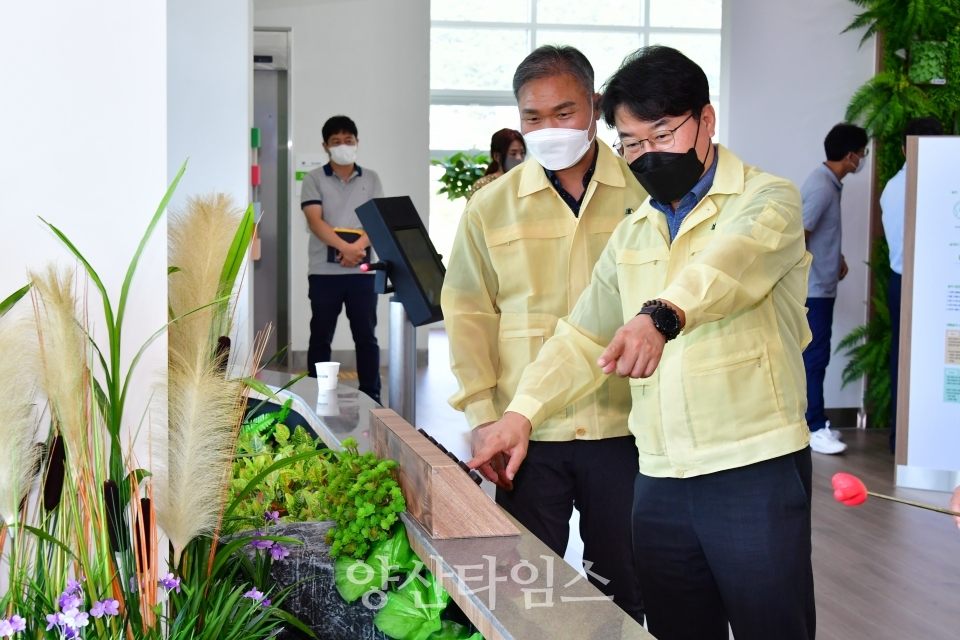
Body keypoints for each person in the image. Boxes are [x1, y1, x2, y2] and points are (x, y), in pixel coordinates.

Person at [469, 46, 815, 640]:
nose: (645, 154)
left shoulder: (766, 199)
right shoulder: (637, 229)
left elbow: (728, 269)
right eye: (630, 143)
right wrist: (521, 413)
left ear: (705, 122)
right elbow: (581, 336)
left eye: (661, 134)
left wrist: (660, 314)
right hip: (657, 479)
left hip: (750, 467)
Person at [442, 45, 647, 623]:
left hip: (623, 425)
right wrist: (483, 413)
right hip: (525, 431)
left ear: (595, 107)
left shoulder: (644, 194)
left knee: (622, 587)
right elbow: (467, 312)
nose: (549, 129)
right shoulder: (491, 205)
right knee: (523, 588)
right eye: (533, 118)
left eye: (564, 113)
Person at [301, 115, 384, 403]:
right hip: (324, 274)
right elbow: (315, 221)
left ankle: (372, 394)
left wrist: (356, 248)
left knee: (366, 338)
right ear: (325, 146)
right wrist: (345, 248)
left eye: (348, 141)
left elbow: (376, 221)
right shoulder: (313, 179)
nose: (343, 146)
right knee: (321, 337)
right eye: (336, 142)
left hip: (362, 273)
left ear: (357, 143)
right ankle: (315, 393)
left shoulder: (371, 178)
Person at [800, 123, 868, 455]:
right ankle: (812, 427)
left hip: (822, 286)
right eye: (863, 153)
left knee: (817, 357)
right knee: (814, 358)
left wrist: (835, 256)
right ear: (850, 155)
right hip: (813, 291)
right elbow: (800, 234)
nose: (863, 159)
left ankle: (816, 422)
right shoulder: (822, 187)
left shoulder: (828, 183)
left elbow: (819, 231)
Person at [880, 116, 945, 454]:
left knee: (906, 361)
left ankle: (904, 440)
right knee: (923, 362)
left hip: (903, 282)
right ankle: (915, 441)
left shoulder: (895, 185)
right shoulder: (929, 186)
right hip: (922, 284)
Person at [467, 128, 526, 199]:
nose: (519, 158)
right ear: (497, 156)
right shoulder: (483, 186)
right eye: (513, 153)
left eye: (522, 153)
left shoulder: (526, 182)